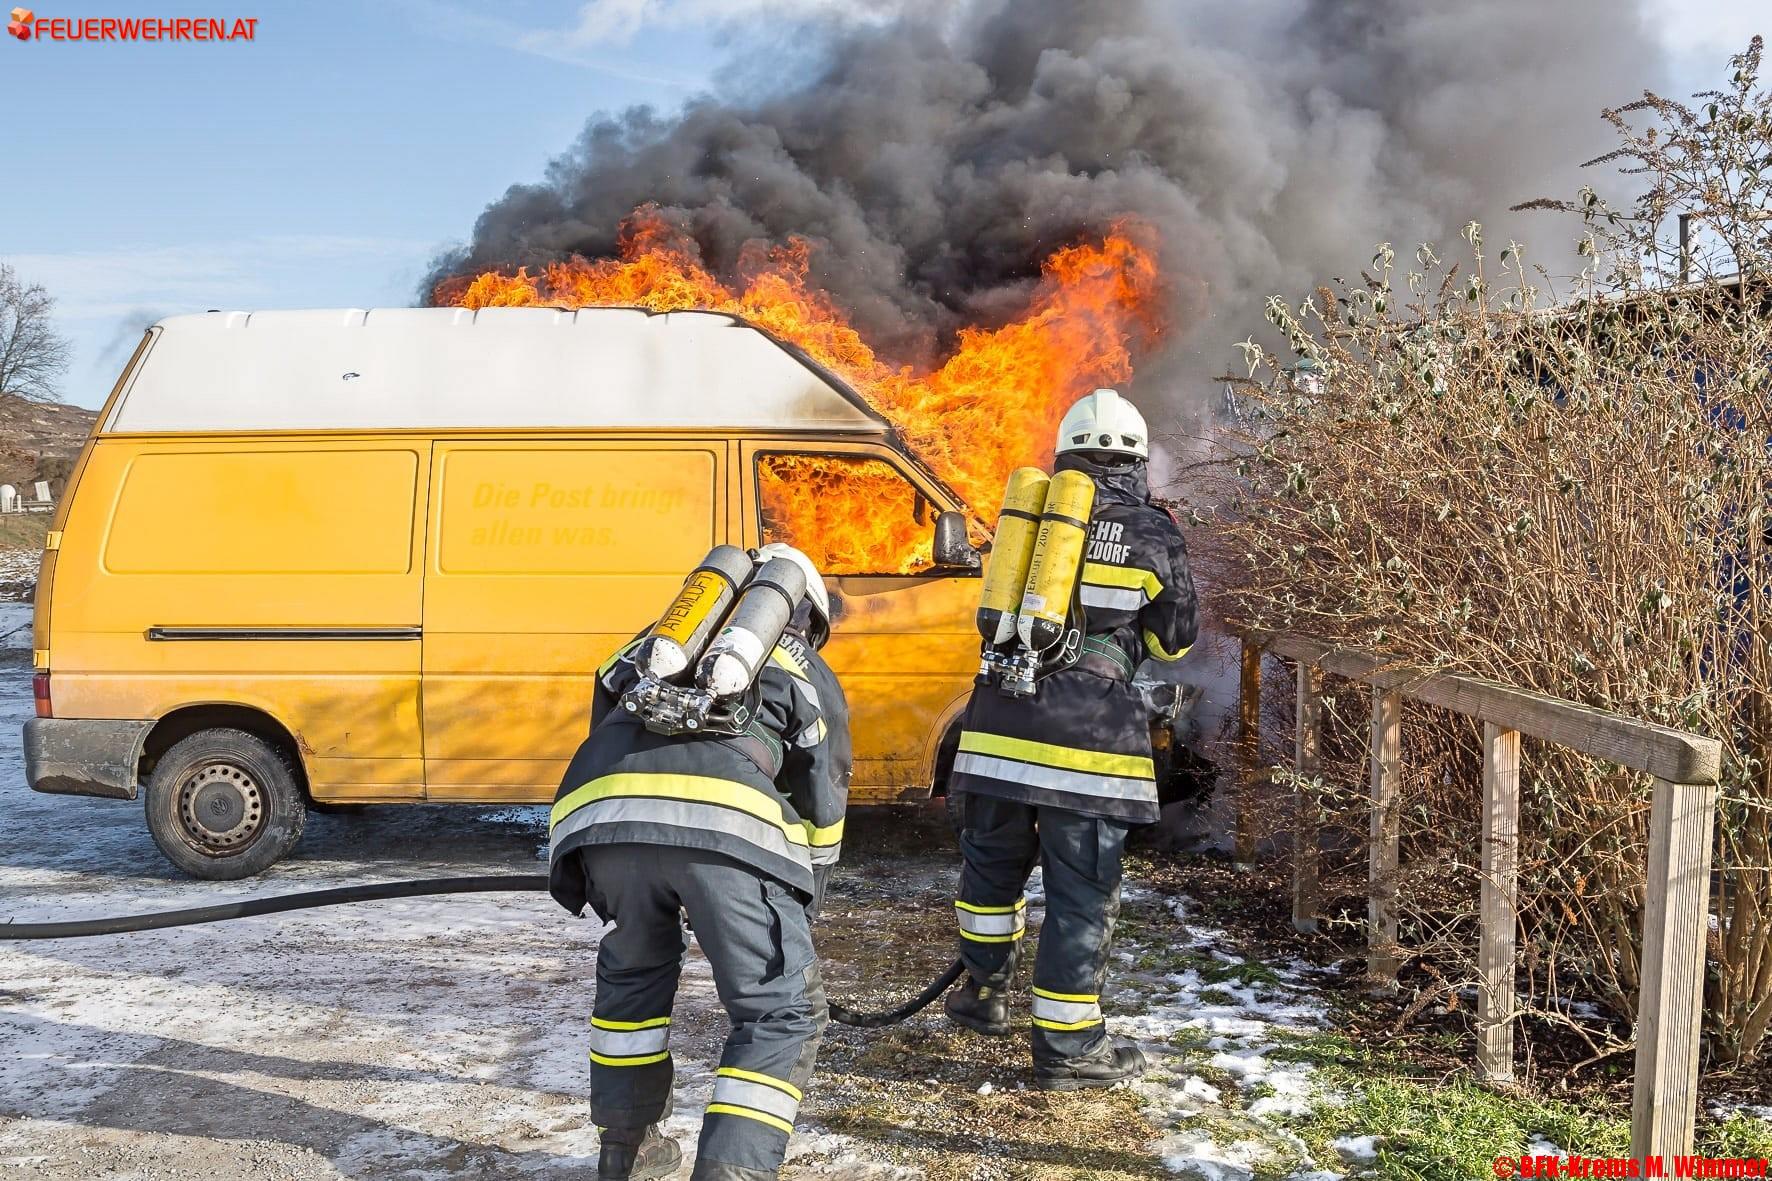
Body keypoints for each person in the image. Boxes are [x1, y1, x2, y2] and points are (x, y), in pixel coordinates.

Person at [548, 543, 851, 1181]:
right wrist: (806, 888)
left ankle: (624, 1154)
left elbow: (606, 716)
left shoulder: (655, 640)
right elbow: (823, 784)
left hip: (601, 819)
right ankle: (731, 1172)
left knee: (633, 982)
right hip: (729, 825)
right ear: (807, 617)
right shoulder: (803, 667)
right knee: (781, 1011)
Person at [944, 388, 1199, 1090]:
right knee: (1080, 893)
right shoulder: (1153, 530)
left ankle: (981, 994)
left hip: (995, 726)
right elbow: (1174, 641)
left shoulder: (1029, 521)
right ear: (1138, 459)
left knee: (990, 876)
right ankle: (1068, 1047)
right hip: (1087, 742)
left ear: (1064, 452)